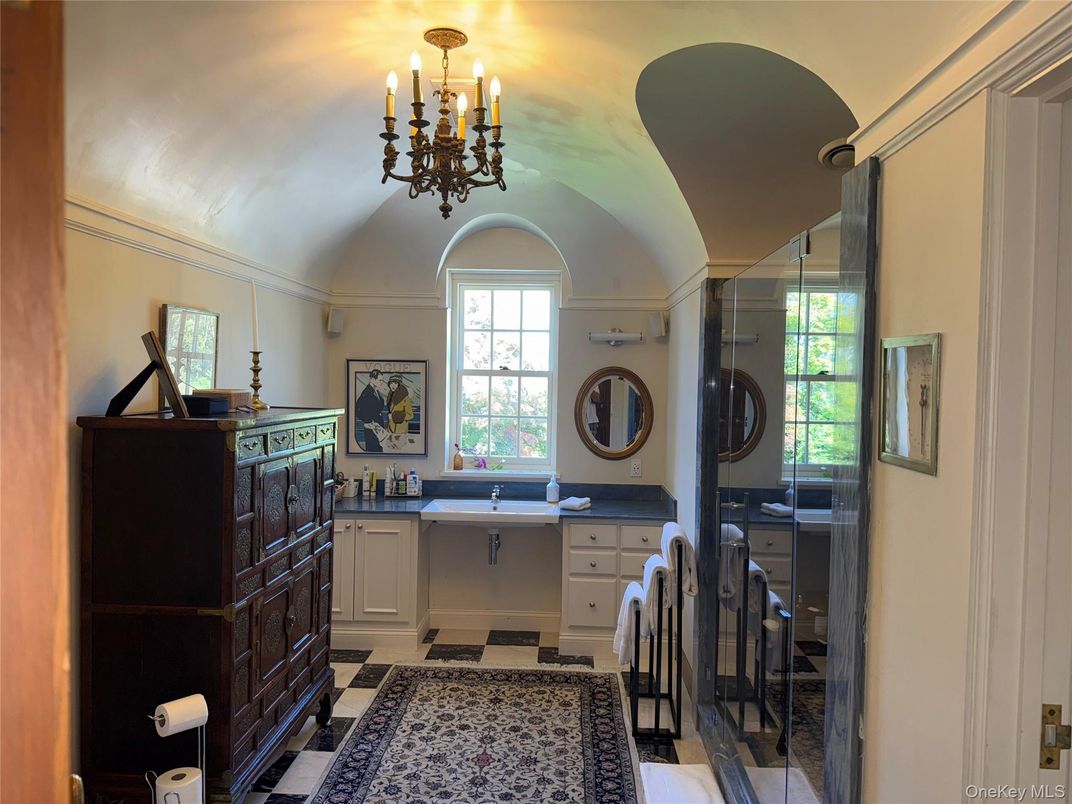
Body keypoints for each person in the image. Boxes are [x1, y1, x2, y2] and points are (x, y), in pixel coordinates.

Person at [354, 370, 387, 452]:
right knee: (373, 450)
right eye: (380, 380)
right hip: (372, 428)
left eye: (382, 380)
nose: (382, 383)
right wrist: (367, 422)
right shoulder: (367, 392)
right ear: (372, 379)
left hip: (377, 428)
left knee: (378, 450)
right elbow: (357, 409)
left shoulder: (375, 390)